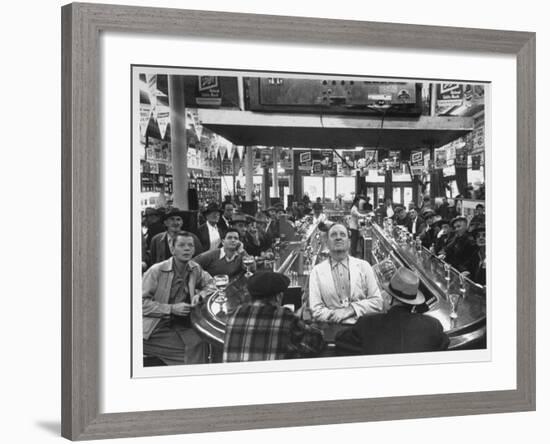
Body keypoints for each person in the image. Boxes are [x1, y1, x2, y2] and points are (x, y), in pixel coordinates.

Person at [334, 266, 449, 355]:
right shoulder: (433, 326)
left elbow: (339, 340)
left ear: (389, 299)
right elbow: (444, 343)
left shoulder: (367, 323)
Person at [142, 231, 215, 365]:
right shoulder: (156, 270)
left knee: (202, 342)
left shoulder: (194, 268)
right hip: (153, 327)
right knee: (190, 352)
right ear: (172, 248)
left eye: (190, 245)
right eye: (181, 245)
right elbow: (137, 304)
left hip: (179, 323)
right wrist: (171, 309)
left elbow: (212, 283)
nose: (187, 249)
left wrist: (200, 295)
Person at [223, 271, 325, 362]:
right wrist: (309, 320)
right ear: (279, 297)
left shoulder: (234, 314)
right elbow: (315, 343)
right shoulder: (285, 317)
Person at [309, 223, 383, 323]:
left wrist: (351, 310)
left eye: (342, 234)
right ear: (327, 243)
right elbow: (316, 309)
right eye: (333, 235)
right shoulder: (317, 271)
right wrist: (337, 316)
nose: (338, 238)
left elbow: (377, 302)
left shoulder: (364, 266)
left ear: (349, 242)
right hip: (332, 330)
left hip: (362, 329)